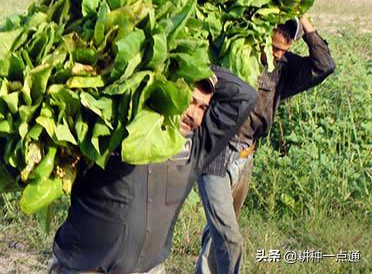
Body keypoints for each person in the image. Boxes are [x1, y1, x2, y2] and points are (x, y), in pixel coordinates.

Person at [49, 66, 258, 274]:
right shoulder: (115, 124)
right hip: (85, 268)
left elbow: (245, 96)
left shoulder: (197, 146)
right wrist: (164, 65)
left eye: (203, 107)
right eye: (189, 101)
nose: (195, 115)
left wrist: (194, 61)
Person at [196, 15, 336, 274]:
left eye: (285, 49)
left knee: (218, 236)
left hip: (245, 158)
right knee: (230, 239)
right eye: (274, 47)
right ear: (260, 37)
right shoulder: (231, 53)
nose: (279, 54)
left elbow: (325, 64)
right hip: (214, 156)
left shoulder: (283, 69)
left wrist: (303, 19)